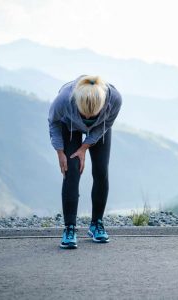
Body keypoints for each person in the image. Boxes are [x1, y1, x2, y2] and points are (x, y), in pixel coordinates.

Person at [48, 74, 122, 249]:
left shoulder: (115, 99)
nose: (87, 118)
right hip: (69, 126)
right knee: (71, 170)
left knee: (101, 171)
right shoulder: (63, 100)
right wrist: (60, 152)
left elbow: (108, 123)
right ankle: (69, 228)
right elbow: (53, 123)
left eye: (92, 115)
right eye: (84, 114)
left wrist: (84, 147)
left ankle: (96, 223)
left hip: (100, 128)